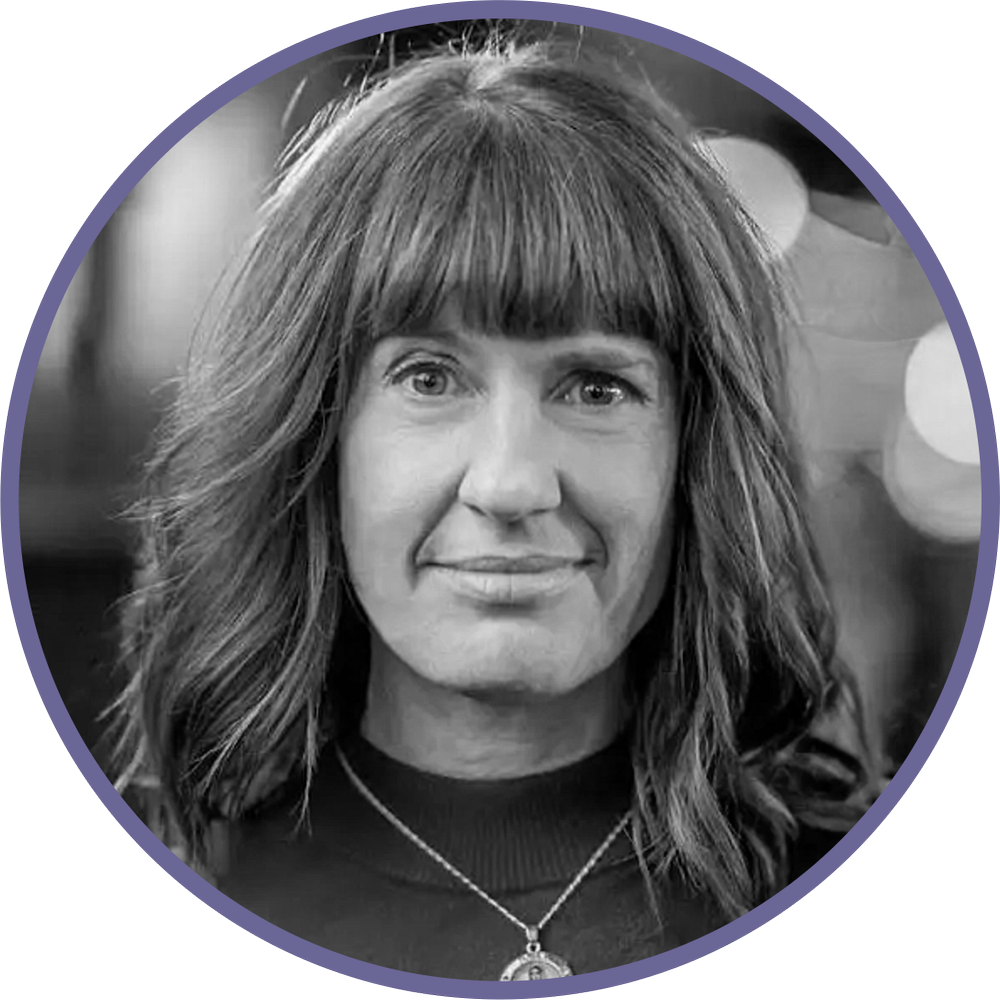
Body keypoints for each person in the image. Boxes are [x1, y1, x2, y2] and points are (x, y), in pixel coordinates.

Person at [109, 36, 875, 982]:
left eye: (596, 388)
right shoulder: (141, 914)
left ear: (698, 454)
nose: (511, 484)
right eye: (429, 377)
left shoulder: (876, 900)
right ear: (314, 440)